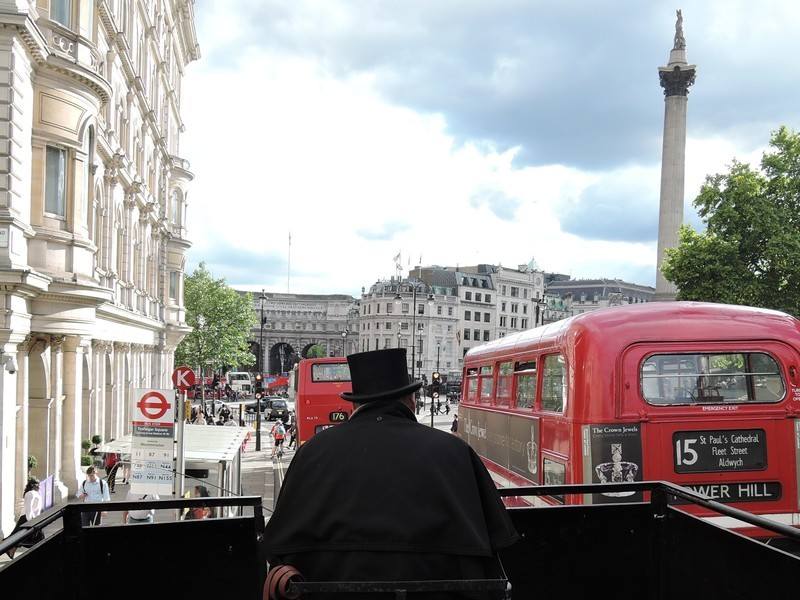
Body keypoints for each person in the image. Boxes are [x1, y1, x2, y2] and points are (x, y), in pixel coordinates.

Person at [264, 349, 518, 594]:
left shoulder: (312, 451)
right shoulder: (455, 451)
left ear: (355, 405)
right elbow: (499, 539)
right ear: (411, 401)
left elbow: (277, 544)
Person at [5, 478, 43, 559]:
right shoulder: (30, 494)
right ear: (33, 485)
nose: (39, 486)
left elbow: (37, 510)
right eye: (38, 484)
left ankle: (11, 549)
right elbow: (28, 509)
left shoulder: (36, 493)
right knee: (36, 538)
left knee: (20, 538)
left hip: (32, 519)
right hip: (27, 519)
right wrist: (32, 522)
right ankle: (10, 548)